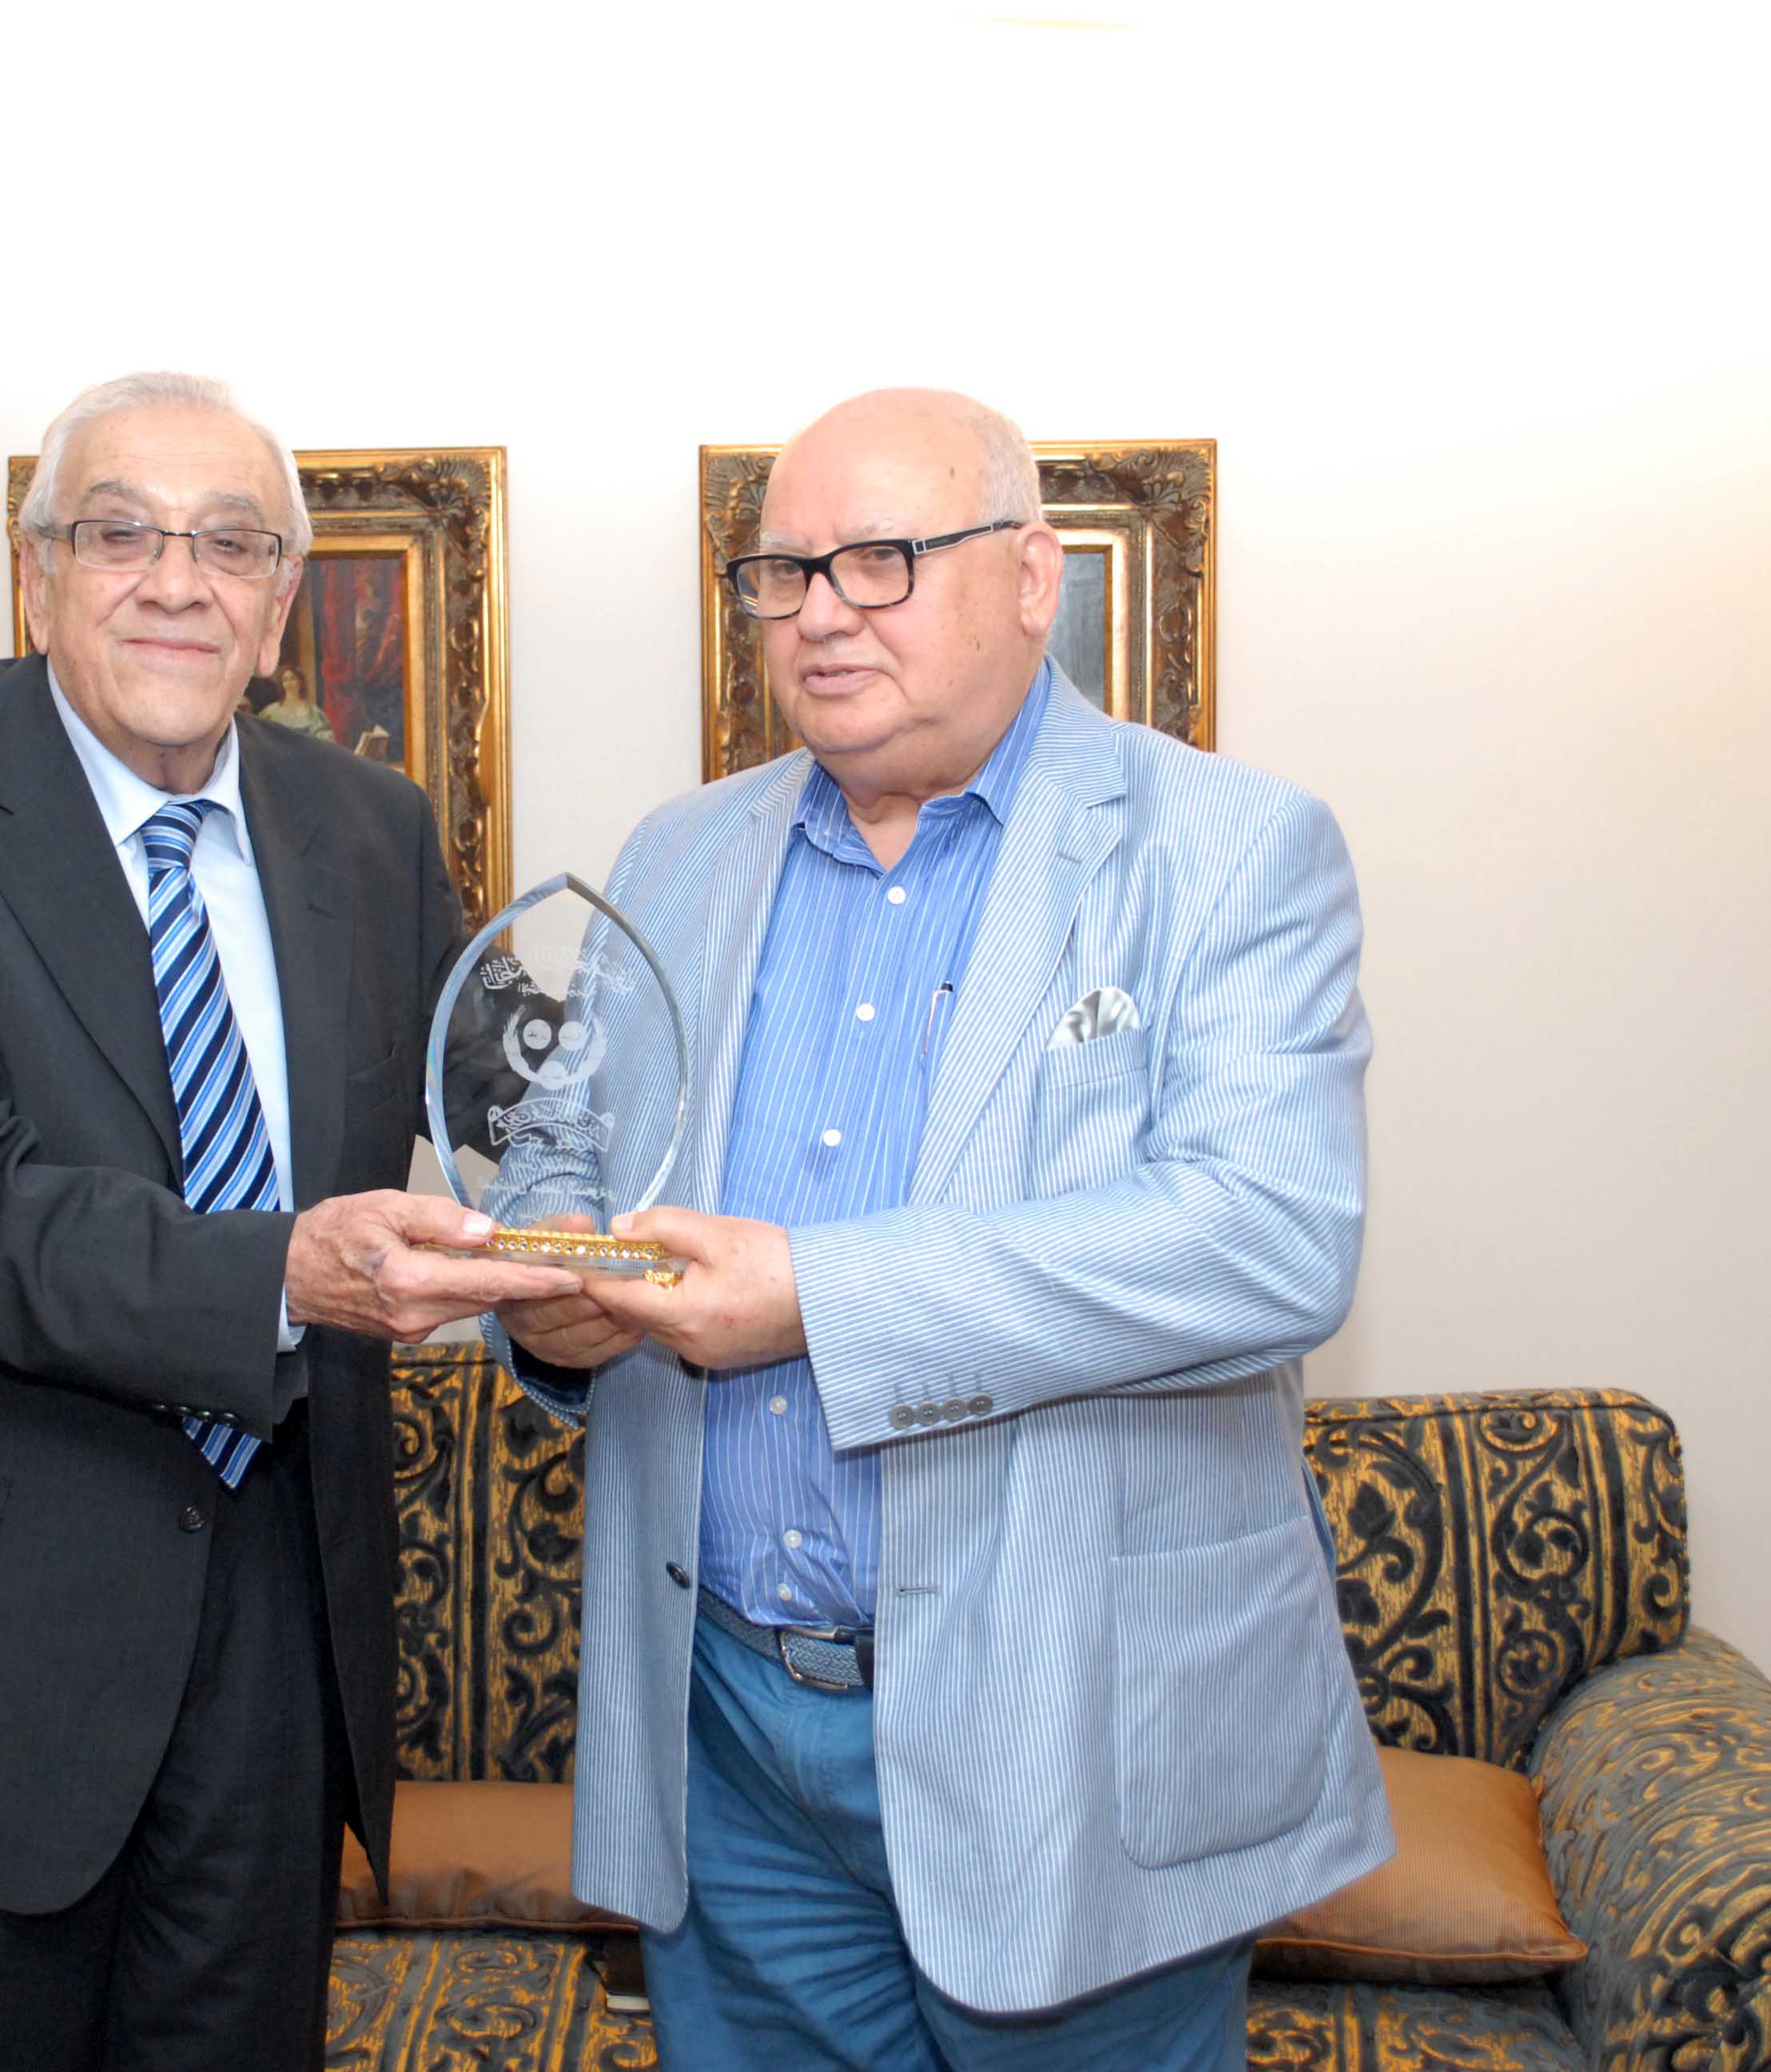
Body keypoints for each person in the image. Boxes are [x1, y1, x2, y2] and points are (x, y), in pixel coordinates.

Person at [494, 388, 1393, 2070]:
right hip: (726, 1737)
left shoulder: (1229, 847)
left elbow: (1270, 1236)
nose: (822, 612)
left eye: (883, 559)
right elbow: (562, 1148)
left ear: (1033, 577)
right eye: (784, 571)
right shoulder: (677, 853)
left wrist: (816, 1297)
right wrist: (547, 1279)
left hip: (1071, 1730)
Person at [0, 372, 578, 2072]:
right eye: (121, 534)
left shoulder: (369, 830)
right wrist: (282, 1272)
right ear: (37, 573)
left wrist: (600, 1235)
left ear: (279, 604)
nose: (178, 580)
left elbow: (514, 1101)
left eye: (231, 543)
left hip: (273, 1625)